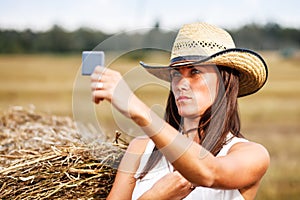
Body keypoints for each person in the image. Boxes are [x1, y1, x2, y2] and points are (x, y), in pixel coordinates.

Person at [91, 22, 270, 200]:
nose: (181, 84)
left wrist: (138, 110)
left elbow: (209, 173)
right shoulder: (140, 149)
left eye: (195, 72)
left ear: (225, 82)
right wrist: (155, 197)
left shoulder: (251, 154)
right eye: (176, 74)